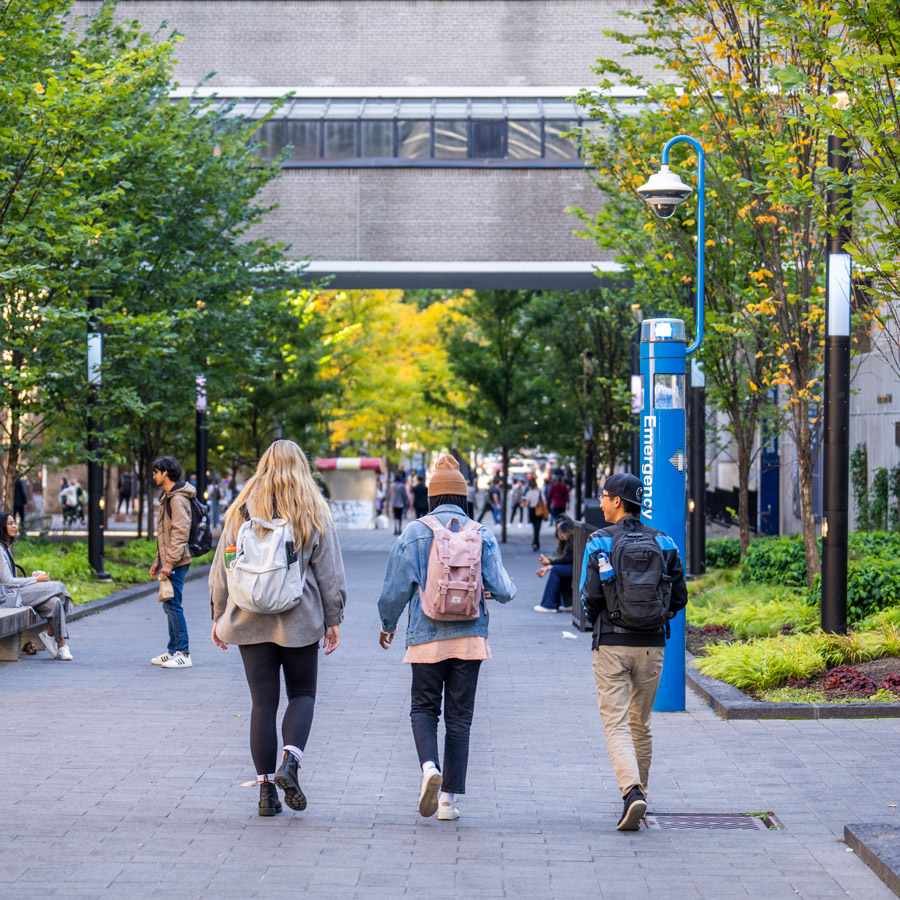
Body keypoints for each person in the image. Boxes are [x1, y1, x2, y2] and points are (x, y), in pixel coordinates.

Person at [209, 440, 346, 817]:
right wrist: (333, 619)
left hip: (248, 617)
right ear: (301, 466)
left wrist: (219, 615)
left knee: (262, 703)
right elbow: (330, 572)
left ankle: (266, 794)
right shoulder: (312, 508)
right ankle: (291, 762)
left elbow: (223, 566)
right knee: (302, 694)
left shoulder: (240, 509)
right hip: (299, 619)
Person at [377, 455, 515, 822]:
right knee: (460, 718)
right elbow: (504, 589)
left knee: (423, 709)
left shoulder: (414, 532)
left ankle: (428, 769)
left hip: (424, 638)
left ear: (431, 496)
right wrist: (495, 591)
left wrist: (388, 624)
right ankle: (449, 802)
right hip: (470, 639)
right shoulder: (480, 532)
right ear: (463, 496)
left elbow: (393, 591)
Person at [580, 473, 687, 831]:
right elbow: (680, 597)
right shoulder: (665, 541)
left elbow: (588, 596)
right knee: (642, 723)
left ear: (616, 500)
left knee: (616, 724)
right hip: (653, 645)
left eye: (603, 496)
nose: (600, 503)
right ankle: (641, 793)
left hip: (611, 643)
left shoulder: (599, 541)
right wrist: (654, 618)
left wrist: (604, 619)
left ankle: (631, 794)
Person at [0, 512, 74, 660]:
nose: (14, 526)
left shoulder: (5, 548)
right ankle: (51, 634)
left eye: (14, 523)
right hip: (8, 598)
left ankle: (61, 646)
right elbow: (7, 582)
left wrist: (33, 577)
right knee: (58, 588)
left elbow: (12, 579)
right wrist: (35, 580)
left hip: (16, 593)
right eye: (10, 523)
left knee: (56, 603)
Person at [148, 456, 196, 669]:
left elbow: (179, 533)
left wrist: (170, 562)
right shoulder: (168, 497)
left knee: (173, 604)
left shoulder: (177, 499)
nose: (153, 476)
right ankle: (172, 650)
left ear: (165, 472)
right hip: (170, 559)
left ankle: (183, 652)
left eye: (156, 472)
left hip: (177, 560)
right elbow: (164, 535)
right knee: (169, 603)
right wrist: (158, 561)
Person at [533, 518, 575, 613]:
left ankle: (549, 604)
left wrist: (550, 564)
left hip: (576, 568)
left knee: (556, 570)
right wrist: (550, 564)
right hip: (575, 566)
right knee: (558, 570)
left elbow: (566, 559)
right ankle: (567, 603)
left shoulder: (572, 541)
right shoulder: (572, 540)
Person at [523, 477, 545, 551]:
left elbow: (527, 503)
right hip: (539, 510)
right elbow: (544, 501)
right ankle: (536, 543)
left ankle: (535, 543)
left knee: (534, 527)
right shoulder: (539, 491)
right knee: (537, 527)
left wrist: (524, 503)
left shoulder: (529, 493)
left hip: (532, 510)